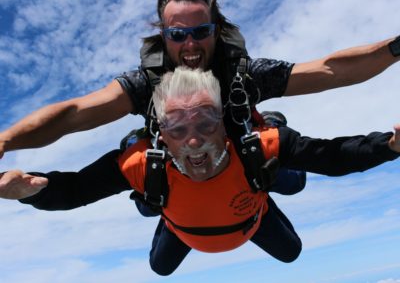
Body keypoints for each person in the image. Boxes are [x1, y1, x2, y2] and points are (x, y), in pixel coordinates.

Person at [1, 67, 399, 276]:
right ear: (160, 133)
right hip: (184, 223)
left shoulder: (258, 145)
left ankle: (277, 177)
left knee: (292, 250)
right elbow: (76, 190)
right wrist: (34, 190)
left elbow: (334, 156)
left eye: (206, 122)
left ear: (225, 123)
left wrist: (389, 145)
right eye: (177, 128)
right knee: (160, 267)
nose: (193, 141)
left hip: (250, 213)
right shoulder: (142, 162)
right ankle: (162, 209)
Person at [0, 0, 399, 159]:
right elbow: (73, 114)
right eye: (177, 34)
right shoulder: (145, 85)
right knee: (154, 231)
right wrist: (5, 141)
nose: (190, 45)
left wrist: (395, 48)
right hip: (186, 175)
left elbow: (331, 70)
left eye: (200, 31)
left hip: (242, 163)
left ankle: (272, 128)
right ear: (163, 35)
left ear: (216, 29)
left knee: (286, 174)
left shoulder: (245, 75)